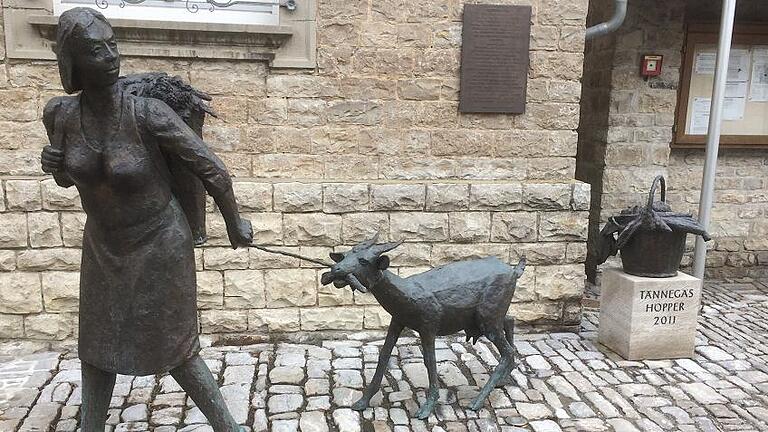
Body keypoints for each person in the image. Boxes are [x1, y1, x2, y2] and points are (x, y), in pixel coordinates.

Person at [40, 8, 251, 432]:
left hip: (159, 240)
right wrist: (55, 167)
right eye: (96, 51)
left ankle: (228, 426)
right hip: (102, 245)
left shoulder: (147, 114)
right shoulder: (59, 115)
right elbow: (73, 179)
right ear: (74, 62)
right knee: (96, 344)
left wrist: (234, 223)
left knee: (175, 345)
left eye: (112, 45)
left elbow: (211, 169)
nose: (110, 57)